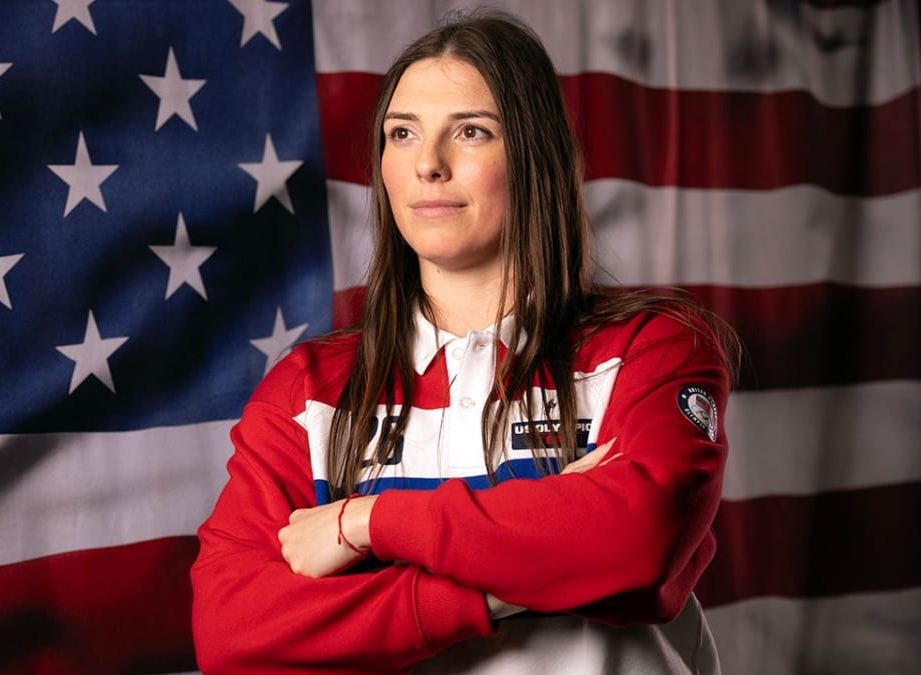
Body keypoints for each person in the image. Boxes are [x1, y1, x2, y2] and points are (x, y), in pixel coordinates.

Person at [191, 9, 739, 674]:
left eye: (471, 132)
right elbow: (233, 630)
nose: (428, 164)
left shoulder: (650, 348)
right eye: (402, 134)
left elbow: (636, 543)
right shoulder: (311, 389)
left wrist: (364, 523)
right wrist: (545, 561)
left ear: (536, 158)